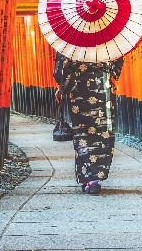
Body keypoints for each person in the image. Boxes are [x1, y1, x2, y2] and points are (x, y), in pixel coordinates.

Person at [53, 51, 124, 195]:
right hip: (103, 91)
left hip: (79, 92)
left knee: (82, 135)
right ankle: (95, 179)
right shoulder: (107, 40)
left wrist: (62, 86)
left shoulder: (71, 40)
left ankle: (87, 178)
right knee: (102, 133)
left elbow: (62, 68)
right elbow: (117, 62)